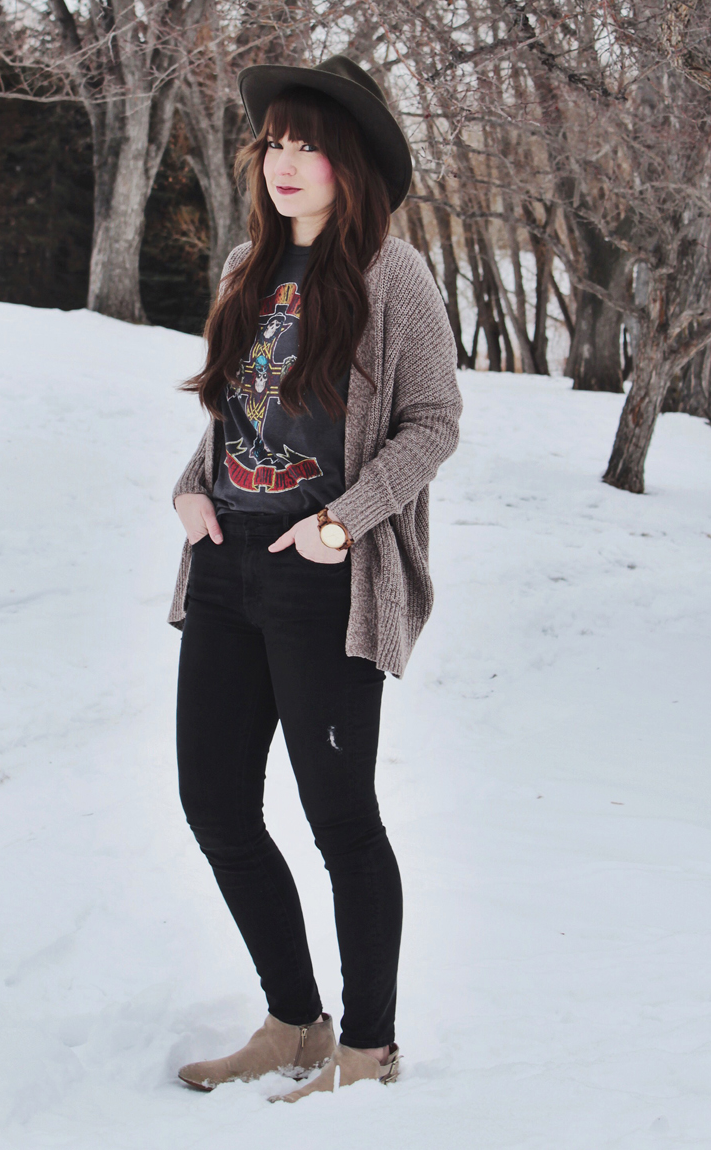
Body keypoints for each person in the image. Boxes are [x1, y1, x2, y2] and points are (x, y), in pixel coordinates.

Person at [168, 55, 462, 1102]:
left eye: (310, 146)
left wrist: (344, 523)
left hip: (325, 575)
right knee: (214, 804)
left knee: (340, 819)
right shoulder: (247, 263)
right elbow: (237, 414)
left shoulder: (392, 274)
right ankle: (294, 1019)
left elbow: (434, 423)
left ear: (352, 163)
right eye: (275, 143)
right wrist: (189, 489)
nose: (285, 163)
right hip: (224, 566)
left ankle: (369, 1046)